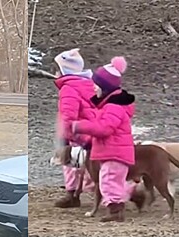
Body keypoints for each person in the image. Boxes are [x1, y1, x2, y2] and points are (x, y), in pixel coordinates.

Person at [71, 56, 145, 222]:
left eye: (96, 84)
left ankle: (115, 212)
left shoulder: (113, 107)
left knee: (108, 181)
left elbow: (104, 129)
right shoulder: (111, 106)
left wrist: (80, 126)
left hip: (114, 153)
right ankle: (122, 204)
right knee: (112, 181)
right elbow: (101, 127)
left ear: (105, 87)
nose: (93, 87)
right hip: (114, 151)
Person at [53, 48, 97, 208]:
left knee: (71, 164)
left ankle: (72, 195)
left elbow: (68, 116)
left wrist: (67, 136)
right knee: (88, 165)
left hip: (75, 134)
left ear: (64, 70)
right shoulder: (89, 84)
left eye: (57, 69)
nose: (56, 73)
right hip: (90, 131)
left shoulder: (68, 88)